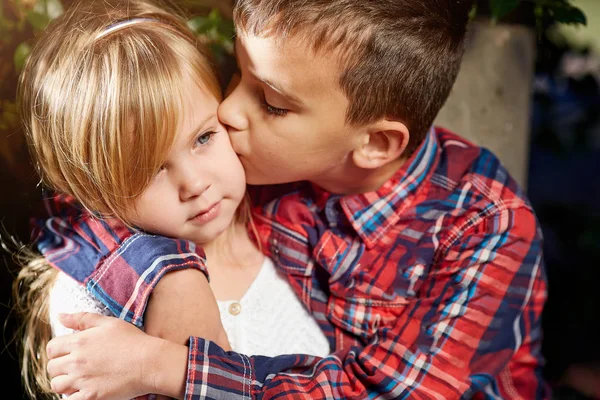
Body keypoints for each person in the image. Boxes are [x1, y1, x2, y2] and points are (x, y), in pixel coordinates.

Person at [43, 0, 550, 399]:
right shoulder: (259, 145)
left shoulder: (487, 226)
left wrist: (166, 366)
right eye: (236, 72)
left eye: (271, 103)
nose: (228, 111)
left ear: (374, 144)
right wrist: (173, 274)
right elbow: (92, 183)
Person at [12, 1, 329, 399]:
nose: (195, 183)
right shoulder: (85, 302)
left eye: (203, 137)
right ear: (93, 192)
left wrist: (166, 366)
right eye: (150, 170)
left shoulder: (299, 222)